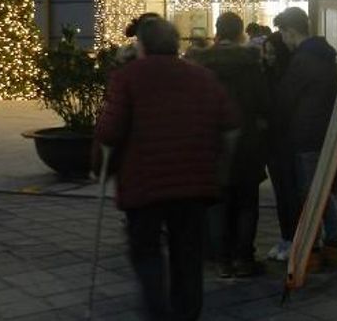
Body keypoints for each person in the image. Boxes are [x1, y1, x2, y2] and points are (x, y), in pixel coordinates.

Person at [95, 18, 239, 320]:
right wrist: (219, 167)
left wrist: (99, 165)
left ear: (143, 45)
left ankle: (158, 312)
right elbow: (230, 125)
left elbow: (109, 131)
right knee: (188, 254)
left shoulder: (128, 77)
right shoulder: (203, 77)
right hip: (193, 183)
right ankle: (187, 313)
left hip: (144, 183)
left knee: (146, 251)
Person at [187, 12, 270, 278]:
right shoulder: (251, 65)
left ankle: (221, 259)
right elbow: (263, 104)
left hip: (212, 144)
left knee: (217, 204)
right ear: (240, 33)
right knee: (247, 203)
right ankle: (243, 258)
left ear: (217, 32)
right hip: (246, 143)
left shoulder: (200, 66)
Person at [273, 7, 337, 270]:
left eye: (283, 34)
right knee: (322, 192)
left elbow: (284, 100)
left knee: (308, 195)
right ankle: (332, 245)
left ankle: (311, 249)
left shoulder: (302, 60)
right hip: (322, 133)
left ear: (291, 32)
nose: (283, 41)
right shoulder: (325, 56)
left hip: (304, 136)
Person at [261, 31, 298, 262]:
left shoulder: (288, 76)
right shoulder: (265, 74)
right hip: (273, 144)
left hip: (287, 142)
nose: (268, 56)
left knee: (290, 194)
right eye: (266, 52)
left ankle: (293, 239)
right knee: (281, 194)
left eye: (272, 52)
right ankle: (285, 238)